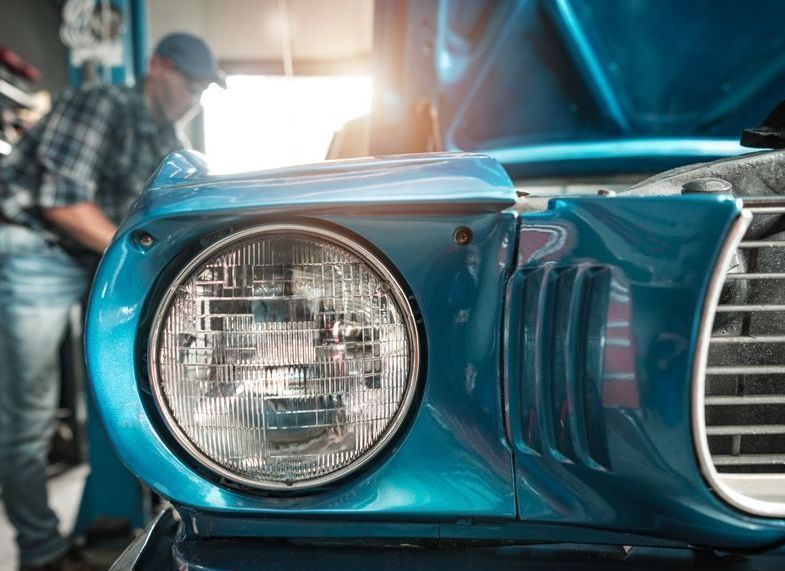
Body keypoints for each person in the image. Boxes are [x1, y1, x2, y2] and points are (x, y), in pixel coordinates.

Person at [0, 33, 224, 571]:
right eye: (187, 81)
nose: (192, 96)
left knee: (142, 383)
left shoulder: (167, 140)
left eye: (201, 89)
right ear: (157, 66)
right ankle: (41, 552)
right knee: (28, 414)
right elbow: (62, 202)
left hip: (90, 261)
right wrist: (144, 260)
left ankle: (131, 518)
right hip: (34, 251)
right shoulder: (103, 103)